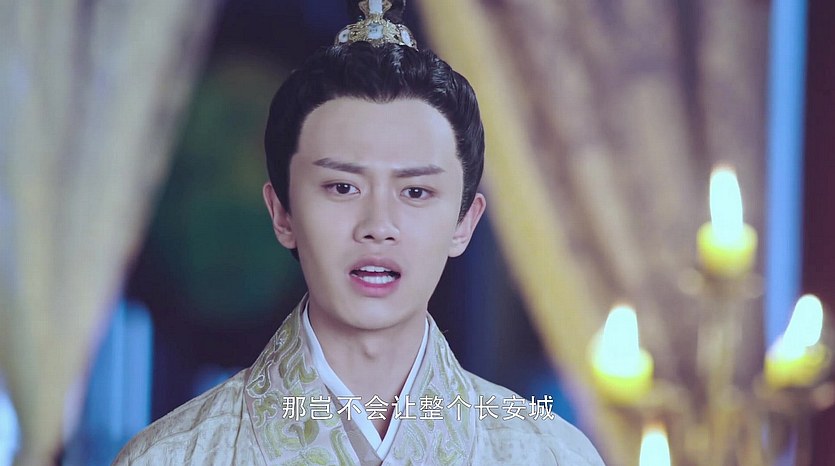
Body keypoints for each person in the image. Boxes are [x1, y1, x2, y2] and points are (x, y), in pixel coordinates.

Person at [114, 1, 604, 464]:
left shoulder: (551, 455)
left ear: (464, 223)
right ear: (282, 213)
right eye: (342, 187)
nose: (378, 227)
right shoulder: (172, 456)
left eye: (415, 192)